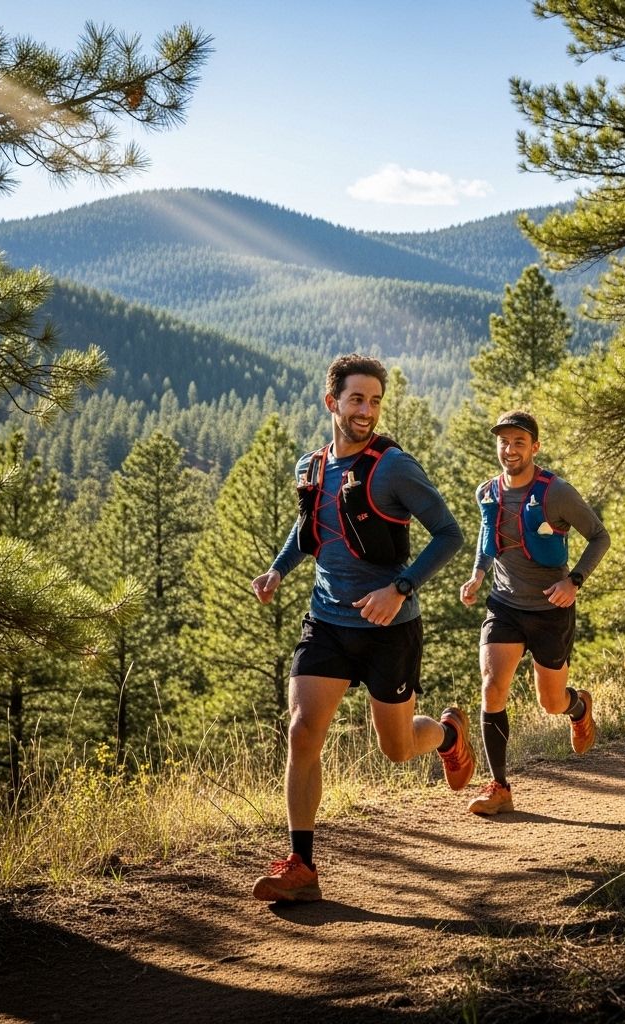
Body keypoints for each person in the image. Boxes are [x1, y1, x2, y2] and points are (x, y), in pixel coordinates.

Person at [250, 354, 474, 902]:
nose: (367, 410)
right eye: (356, 399)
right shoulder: (312, 466)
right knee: (303, 730)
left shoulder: (393, 467)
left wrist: (399, 589)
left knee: (396, 749)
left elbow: (449, 534)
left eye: (375, 401)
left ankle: (447, 734)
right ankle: (301, 866)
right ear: (332, 403)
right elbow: (310, 529)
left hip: (388, 627)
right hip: (326, 620)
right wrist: (278, 569)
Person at [459, 410, 610, 815]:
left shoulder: (556, 492)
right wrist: (477, 576)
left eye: (519, 443)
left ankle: (578, 708)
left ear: (535, 447)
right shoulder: (487, 491)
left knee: (551, 702)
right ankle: (500, 787)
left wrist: (573, 581)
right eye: (504, 442)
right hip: (505, 605)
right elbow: (487, 537)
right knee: (492, 687)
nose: (510, 450)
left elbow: (599, 536)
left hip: (550, 609)